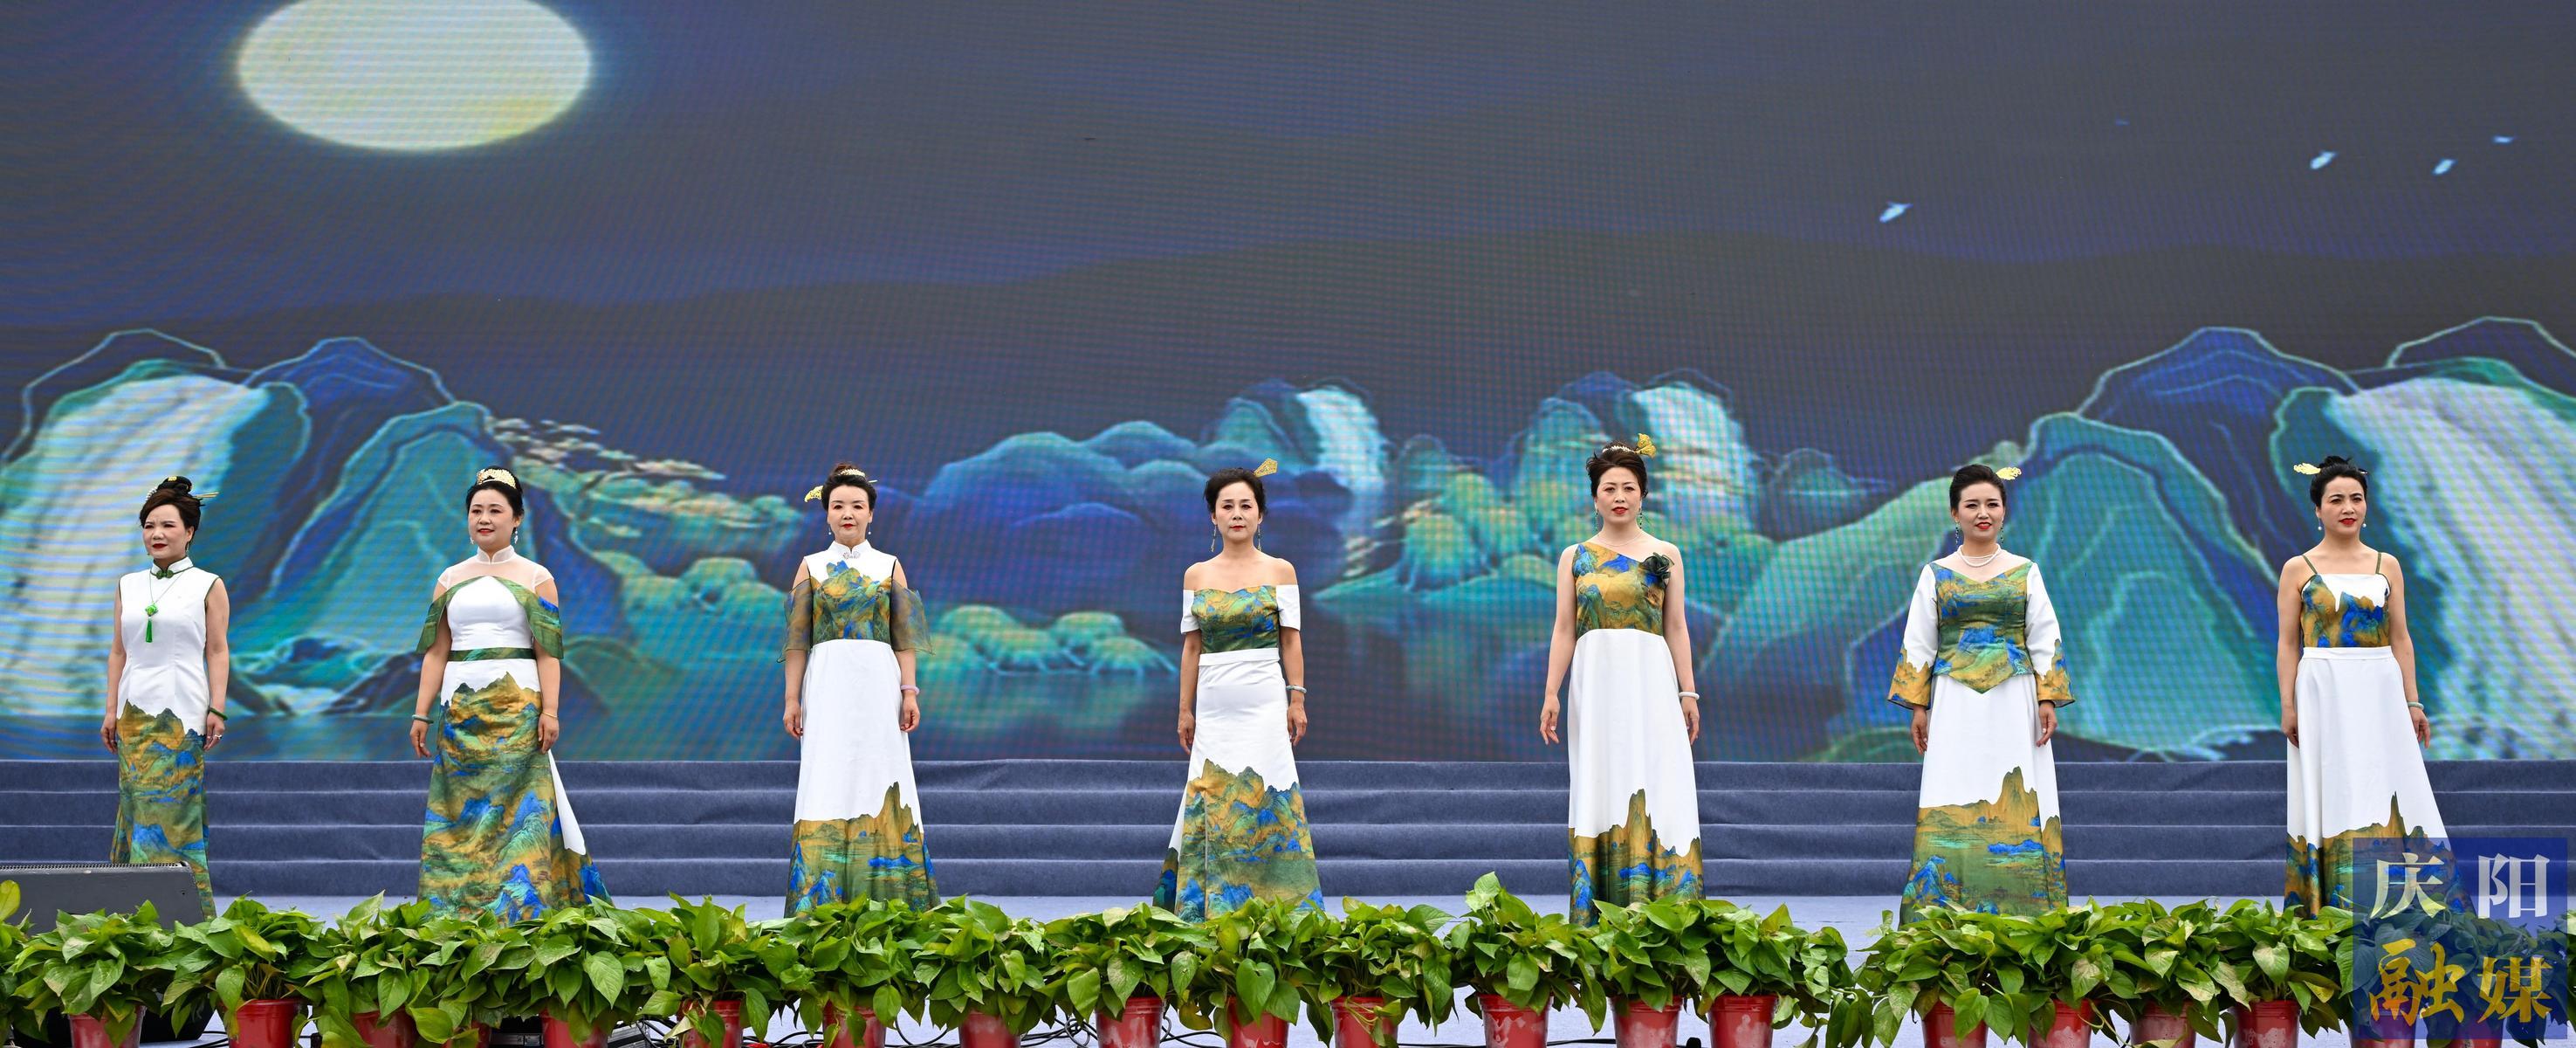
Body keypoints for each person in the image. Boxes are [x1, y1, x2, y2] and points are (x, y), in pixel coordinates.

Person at [409, 466, 607, 918]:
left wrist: (550, 711)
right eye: (476, 510)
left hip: (518, 709)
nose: (484, 519)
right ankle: (454, 912)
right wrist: (421, 713)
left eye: (495, 510)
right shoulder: (449, 578)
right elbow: (437, 652)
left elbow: (548, 652)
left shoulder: (537, 577)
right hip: (460, 714)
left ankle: (520, 911)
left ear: (517, 519)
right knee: (461, 813)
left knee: (518, 816)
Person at [1889, 464, 2071, 920]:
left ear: (2004, 511)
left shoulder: (2026, 572)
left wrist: (2047, 697)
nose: (1982, 513)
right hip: (1954, 701)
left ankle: (2028, 914)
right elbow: (1919, 642)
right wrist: (1918, 705)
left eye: (1992, 503)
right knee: (1953, 787)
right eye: (1972, 505)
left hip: (2016, 699)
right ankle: (1943, 912)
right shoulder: (1935, 574)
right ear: (1955, 513)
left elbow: (2043, 636)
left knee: (2020, 791)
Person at [1540, 438, 1703, 922]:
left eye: (1628, 488)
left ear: (1643, 495)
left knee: (1657, 776)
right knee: (1601, 777)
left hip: (1651, 678)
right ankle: (1601, 907)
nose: (1619, 497)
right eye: (1609, 488)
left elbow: (1676, 627)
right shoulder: (1575, 556)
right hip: (1595, 682)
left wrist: (1688, 690)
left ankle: (1665, 905)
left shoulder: (1665, 554)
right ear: (1594, 497)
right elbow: (1564, 629)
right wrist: (1551, 691)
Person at [1154, 459, 1322, 919]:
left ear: (1260, 514)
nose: (1236, 514)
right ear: (1213, 516)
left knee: (1268, 797)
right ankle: (1206, 910)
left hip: (1264, 699)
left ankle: (1281, 912)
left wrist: (1297, 698)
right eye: (1227, 506)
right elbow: (1192, 648)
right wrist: (1185, 710)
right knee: (1212, 795)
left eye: (1246, 505)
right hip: (1214, 704)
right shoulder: (1196, 576)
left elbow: (1291, 640)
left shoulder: (1281, 571)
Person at [2280, 456, 2444, 913]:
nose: (2348, 507)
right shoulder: (2298, 568)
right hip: (2322, 688)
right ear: (2318, 510)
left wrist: (2413, 702)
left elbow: (2401, 638)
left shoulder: (2386, 564)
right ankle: (2329, 906)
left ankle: (2397, 904)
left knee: (2386, 785)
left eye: (2356, 498)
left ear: (2367, 506)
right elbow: (2288, 644)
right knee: (2331, 788)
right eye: (2336, 500)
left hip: (2379, 688)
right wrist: (2289, 706)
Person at [782, 463, 937, 913]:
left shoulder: (889, 566)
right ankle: (821, 902)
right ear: (826, 514)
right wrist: (792, 699)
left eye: (856, 505)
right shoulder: (811, 567)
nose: (847, 513)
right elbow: (797, 642)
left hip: (879, 686)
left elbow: (903, 638)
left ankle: (893, 903)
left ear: (871, 514)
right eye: (838, 506)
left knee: (881, 774)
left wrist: (909, 691)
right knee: (827, 775)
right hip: (827, 686)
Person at [105, 476, 229, 919]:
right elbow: (119, 651)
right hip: (133, 710)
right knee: (136, 807)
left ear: (190, 532)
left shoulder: (208, 584)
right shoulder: (128, 585)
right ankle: (131, 912)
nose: (156, 534)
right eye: (149, 525)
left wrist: (217, 707)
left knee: (176, 809)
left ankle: (182, 915)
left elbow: (217, 650)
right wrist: (110, 710)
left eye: (168, 525)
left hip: (183, 710)